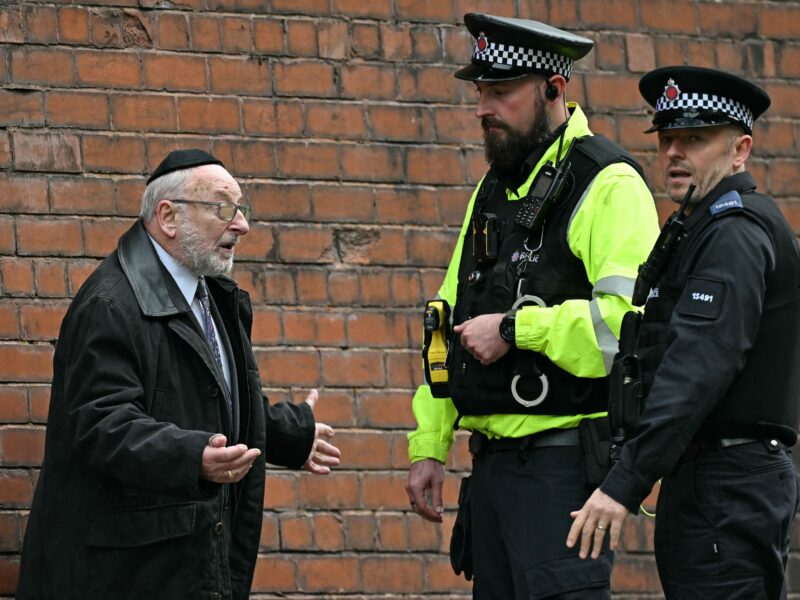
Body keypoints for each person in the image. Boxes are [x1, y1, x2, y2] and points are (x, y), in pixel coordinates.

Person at [404, 13, 659, 599]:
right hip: (491, 471)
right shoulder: (492, 189)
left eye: (501, 92)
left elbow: (628, 331)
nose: (483, 109)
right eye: (480, 93)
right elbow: (446, 322)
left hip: (560, 473)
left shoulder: (609, 184)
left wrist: (518, 329)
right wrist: (430, 445)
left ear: (553, 88)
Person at [16, 149, 341, 600]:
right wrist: (193, 457)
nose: (241, 225)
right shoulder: (111, 303)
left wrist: (287, 435)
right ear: (168, 217)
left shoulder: (210, 295)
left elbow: (206, 398)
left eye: (241, 209)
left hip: (178, 566)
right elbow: (103, 424)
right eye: (222, 208)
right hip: (121, 577)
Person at [567, 67, 800, 599]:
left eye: (695, 139)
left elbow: (696, 370)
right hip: (713, 479)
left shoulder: (734, 233)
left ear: (740, 150)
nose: (674, 152)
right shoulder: (703, 226)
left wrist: (625, 483)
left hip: (727, 480)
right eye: (668, 138)